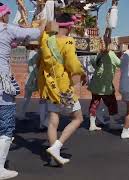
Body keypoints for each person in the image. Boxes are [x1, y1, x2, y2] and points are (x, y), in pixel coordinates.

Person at [0, 2, 45, 179]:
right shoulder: (7, 29)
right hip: (2, 85)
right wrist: (43, 22)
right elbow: (36, 33)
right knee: (6, 127)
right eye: (7, 14)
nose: (8, 16)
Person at [38, 13, 86, 165]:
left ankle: (54, 158)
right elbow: (73, 64)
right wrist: (82, 72)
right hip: (64, 86)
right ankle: (57, 147)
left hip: (51, 86)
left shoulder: (46, 39)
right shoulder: (68, 41)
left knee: (53, 121)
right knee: (78, 118)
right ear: (69, 26)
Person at [87, 31, 121, 131]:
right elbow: (120, 64)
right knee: (112, 104)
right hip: (105, 85)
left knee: (94, 103)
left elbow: (93, 63)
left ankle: (92, 124)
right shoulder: (111, 54)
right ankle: (112, 122)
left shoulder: (98, 54)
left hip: (96, 84)